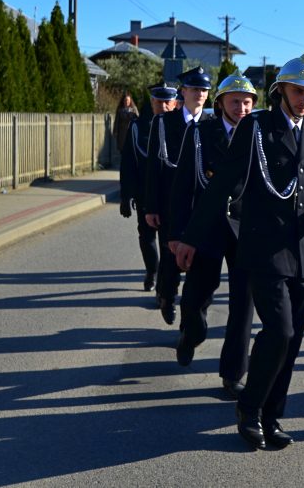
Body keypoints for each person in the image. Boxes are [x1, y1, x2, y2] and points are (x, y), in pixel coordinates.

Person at [175, 52, 304, 450]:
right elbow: (221, 186)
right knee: (279, 331)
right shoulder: (255, 129)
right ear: (281, 91)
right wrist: (190, 236)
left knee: (292, 341)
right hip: (263, 251)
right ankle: (250, 408)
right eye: (298, 91)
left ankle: (272, 416)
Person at [168, 74, 258, 400]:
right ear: (220, 103)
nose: (241, 108)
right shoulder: (200, 133)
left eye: (247, 102)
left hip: (246, 228)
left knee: (243, 305)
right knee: (196, 295)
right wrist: (177, 233)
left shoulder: (259, 135)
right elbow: (183, 185)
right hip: (206, 227)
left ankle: (233, 373)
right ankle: (190, 334)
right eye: (235, 101)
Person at [145, 66, 212, 325]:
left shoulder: (211, 124)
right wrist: (151, 207)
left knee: (199, 262)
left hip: (201, 205)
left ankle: (190, 317)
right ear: (183, 91)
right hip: (170, 203)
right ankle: (167, 295)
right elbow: (153, 167)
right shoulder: (164, 122)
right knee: (170, 258)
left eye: (204, 90)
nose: (200, 94)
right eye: (195, 89)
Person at [119, 83, 176, 291]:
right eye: (158, 102)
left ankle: (165, 280)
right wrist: (125, 196)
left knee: (168, 239)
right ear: (152, 102)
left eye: (167, 102)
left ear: (174, 103)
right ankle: (152, 270)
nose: (163, 106)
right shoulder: (138, 127)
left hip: (171, 194)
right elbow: (128, 163)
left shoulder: (181, 127)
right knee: (146, 235)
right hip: (144, 192)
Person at [113, 92, 139, 160]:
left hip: (131, 133)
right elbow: (116, 121)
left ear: (130, 101)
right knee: (122, 151)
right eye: (125, 100)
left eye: (127, 100)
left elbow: (138, 120)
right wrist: (115, 131)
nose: (126, 102)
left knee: (130, 151)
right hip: (122, 134)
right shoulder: (120, 110)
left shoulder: (134, 110)